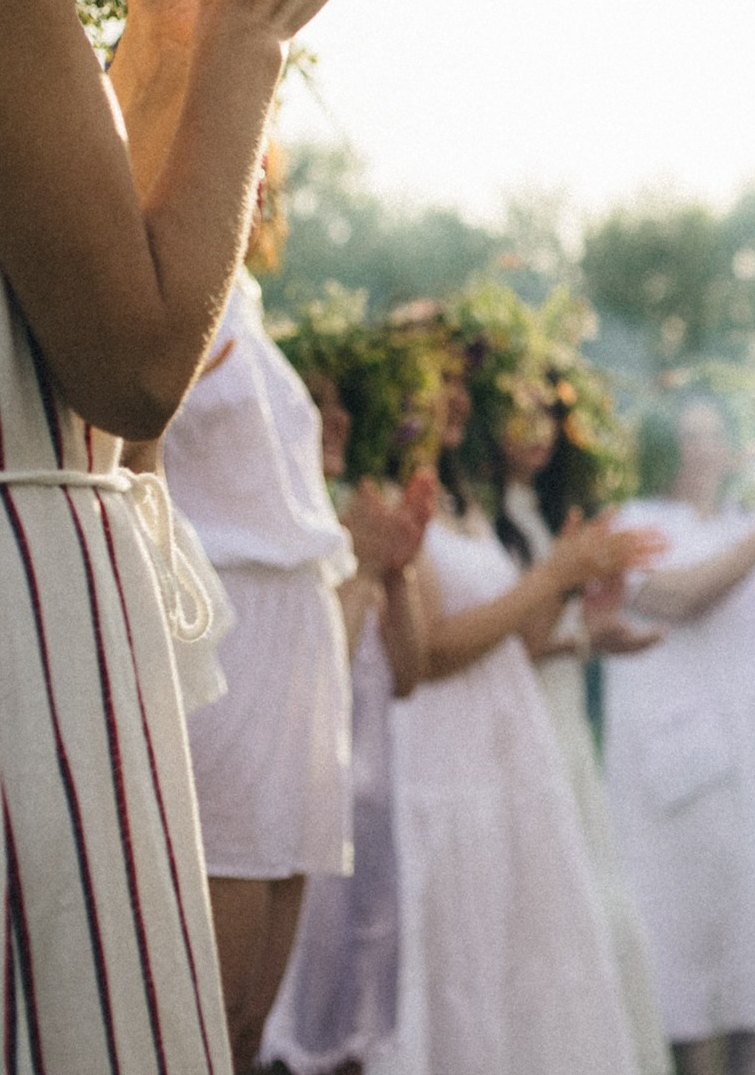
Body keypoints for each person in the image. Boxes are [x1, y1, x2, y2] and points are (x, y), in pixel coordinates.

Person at [0, 0, 411, 1065]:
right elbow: (137, 371)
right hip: (8, 630)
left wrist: (156, 55)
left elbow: (41, 302)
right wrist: (252, 32)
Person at [372, 319, 660, 1075]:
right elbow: (433, 651)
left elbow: (513, 641)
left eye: (460, 383)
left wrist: (578, 587)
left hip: (504, 758)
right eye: (439, 382)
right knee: (455, 966)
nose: (458, 399)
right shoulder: (392, 502)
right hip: (438, 764)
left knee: (512, 966)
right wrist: (553, 576)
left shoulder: (461, 504)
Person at [608, 400, 755, 1075]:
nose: (702, 450)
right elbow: (683, 597)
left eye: (714, 435)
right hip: (679, 777)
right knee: (692, 961)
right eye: (687, 436)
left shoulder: (748, 523)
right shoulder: (634, 523)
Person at [258, 316, 435, 1075]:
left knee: (359, 1023)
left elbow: (409, 674)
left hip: (371, 812)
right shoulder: (279, 528)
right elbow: (311, 671)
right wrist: (363, 571)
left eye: (341, 404)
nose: (335, 419)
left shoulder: (359, 517)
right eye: (314, 399)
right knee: (286, 1028)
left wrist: (398, 568)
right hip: (304, 806)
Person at [497, 377, 672, 1075]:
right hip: (519, 728)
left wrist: (594, 625)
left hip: (563, 720)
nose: (537, 429)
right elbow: (518, 640)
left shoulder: (539, 513)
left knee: (597, 911)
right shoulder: (488, 515)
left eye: (549, 413)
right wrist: (575, 614)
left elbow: (549, 633)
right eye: (519, 413)